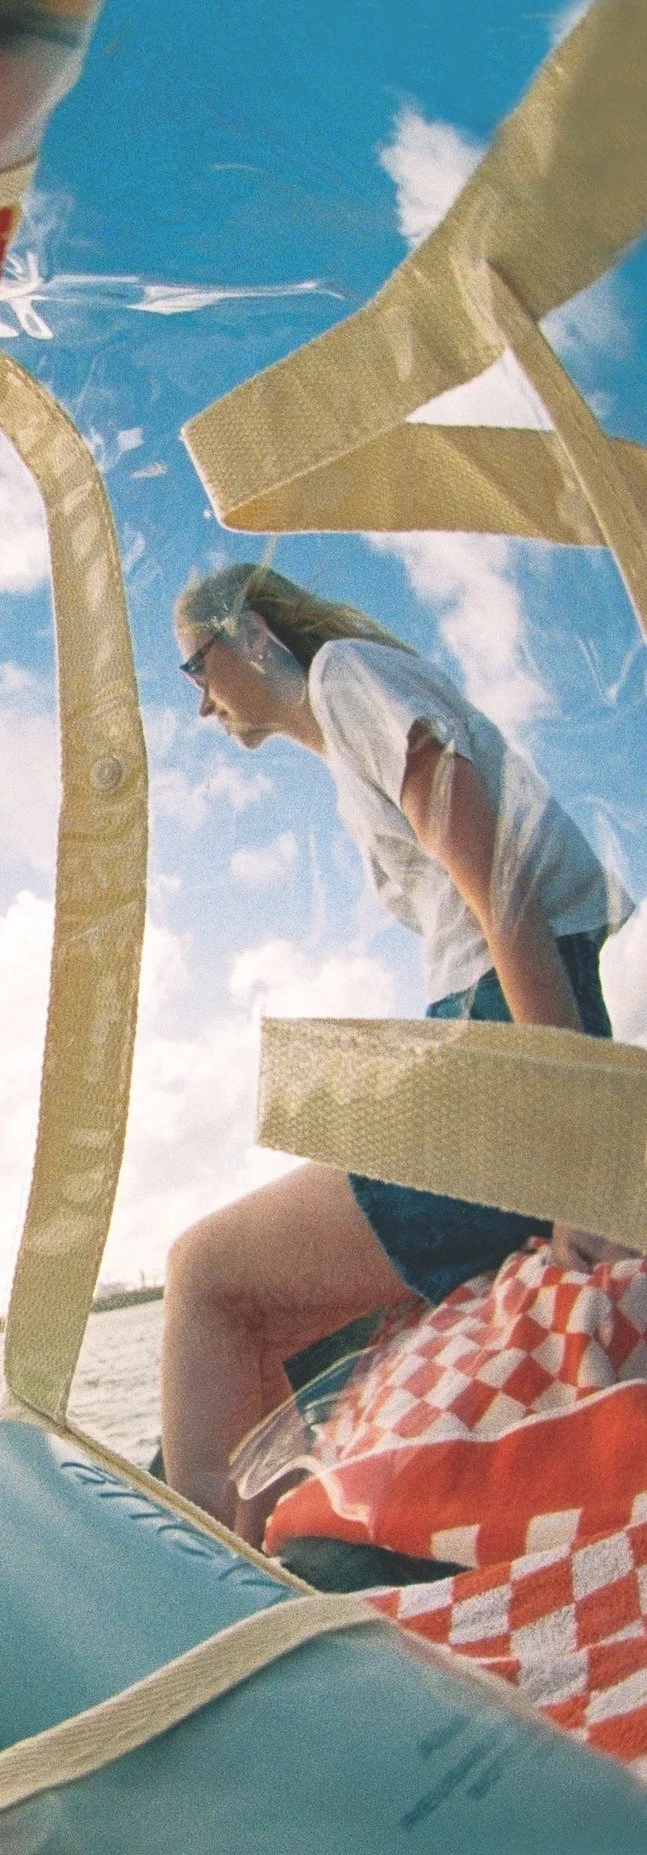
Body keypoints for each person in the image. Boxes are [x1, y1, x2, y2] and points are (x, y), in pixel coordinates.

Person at [161, 563, 634, 1540]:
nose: (200, 702)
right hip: (498, 1037)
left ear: (249, 636)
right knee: (283, 1324)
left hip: (507, 1052)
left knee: (204, 1272)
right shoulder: (347, 731)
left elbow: (499, 886)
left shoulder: (342, 676)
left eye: (194, 667)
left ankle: (203, 1587)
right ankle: (259, 1563)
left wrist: (576, 1153)